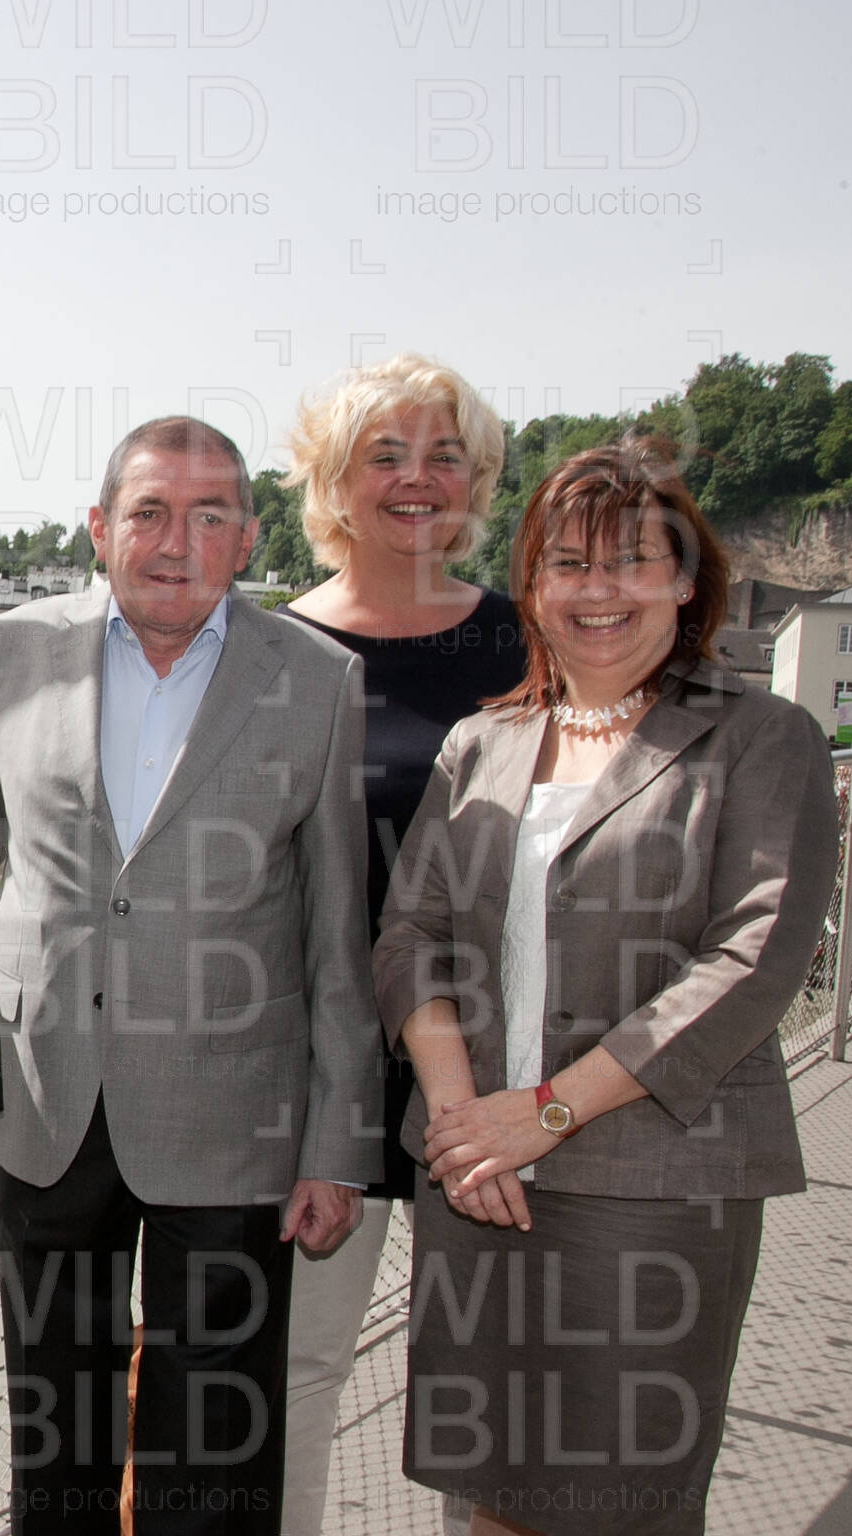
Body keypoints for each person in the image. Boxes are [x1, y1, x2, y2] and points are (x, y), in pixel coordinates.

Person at [374, 440, 833, 1536]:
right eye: (569, 563)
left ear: (686, 578)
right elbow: (410, 933)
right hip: (479, 1177)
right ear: (534, 585)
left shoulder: (762, 737)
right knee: (490, 1488)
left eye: (631, 559)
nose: (598, 589)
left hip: (654, 1184)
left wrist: (546, 1113)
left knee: (624, 1499)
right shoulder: (480, 743)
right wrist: (461, 1123)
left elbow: (752, 958)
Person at [0, 415, 384, 1535]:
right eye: (149, 511)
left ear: (248, 538)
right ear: (100, 527)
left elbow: (336, 929)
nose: (175, 542)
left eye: (210, 517)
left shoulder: (318, 678)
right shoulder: (17, 647)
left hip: (236, 1119)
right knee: (55, 1440)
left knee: (211, 1461)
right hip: (49, 1102)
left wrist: (338, 1143)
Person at [270, 354, 523, 1534]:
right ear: (332, 479)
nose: (418, 479)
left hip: (503, 1068)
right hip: (320, 1074)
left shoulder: (536, 644)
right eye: (386, 454)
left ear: (478, 481)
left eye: (445, 456)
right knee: (291, 1377)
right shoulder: (268, 654)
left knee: (494, 1381)